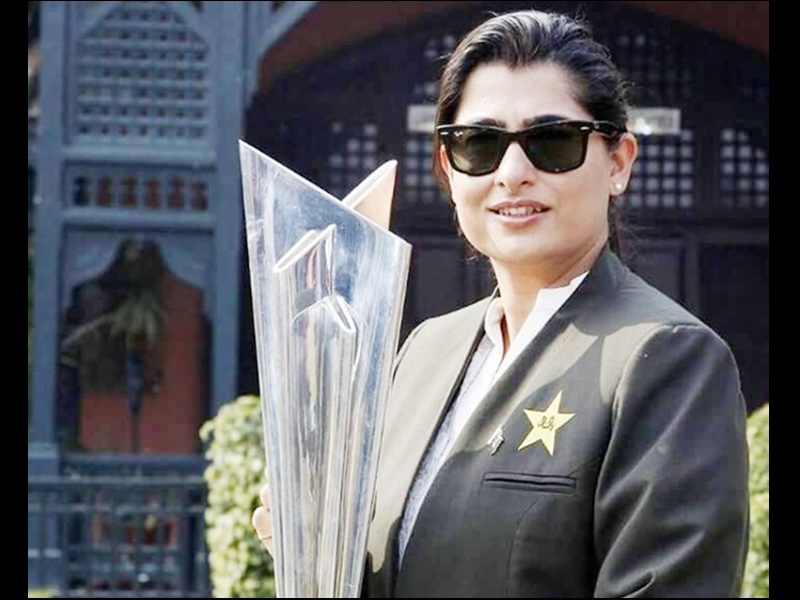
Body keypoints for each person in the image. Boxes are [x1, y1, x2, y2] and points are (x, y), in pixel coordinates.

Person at [252, 7, 750, 598]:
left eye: (553, 141)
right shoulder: (423, 353)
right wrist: (317, 550)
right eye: (479, 143)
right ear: (449, 168)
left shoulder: (669, 359)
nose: (512, 173)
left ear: (618, 162)